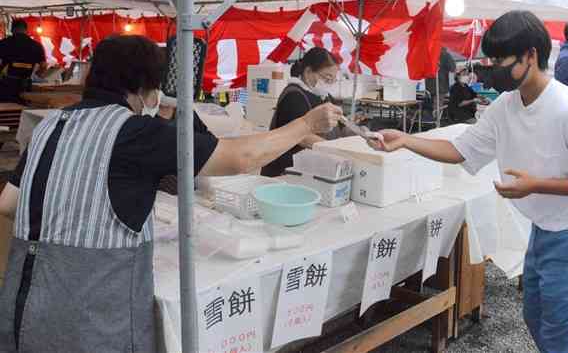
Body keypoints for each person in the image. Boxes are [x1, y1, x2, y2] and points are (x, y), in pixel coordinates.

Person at [0, 35, 341, 353]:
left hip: (25, 306)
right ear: (146, 88)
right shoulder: (135, 131)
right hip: (94, 321)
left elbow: (9, 203)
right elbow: (241, 158)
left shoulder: (49, 125)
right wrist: (306, 125)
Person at [369, 11, 568, 353]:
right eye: (492, 58)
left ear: (531, 55)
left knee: (558, 337)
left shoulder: (567, 110)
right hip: (544, 230)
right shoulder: (506, 106)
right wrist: (406, 141)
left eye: (502, 59)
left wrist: (536, 185)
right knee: (534, 317)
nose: (494, 67)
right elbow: (460, 149)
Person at [262, 47, 342, 177]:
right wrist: (336, 150)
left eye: (332, 80)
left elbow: (341, 123)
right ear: (308, 71)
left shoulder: (324, 96)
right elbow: (302, 137)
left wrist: (364, 134)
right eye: (327, 78)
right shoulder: (294, 95)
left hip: (307, 168)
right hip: (284, 171)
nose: (329, 83)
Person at [0, 20, 47, 102]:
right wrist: (37, 75)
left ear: (12, 29)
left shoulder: (4, 43)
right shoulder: (36, 45)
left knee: (8, 109)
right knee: (23, 109)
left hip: (7, 85)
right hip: (26, 84)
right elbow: (43, 66)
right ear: (26, 30)